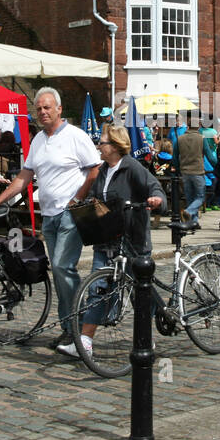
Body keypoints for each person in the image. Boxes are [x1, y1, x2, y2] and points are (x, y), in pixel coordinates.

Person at [0, 87, 100, 349]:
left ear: (59, 109)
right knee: (59, 272)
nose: (43, 112)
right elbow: (25, 177)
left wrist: (78, 198)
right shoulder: (37, 141)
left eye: (47, 107)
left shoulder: (75, 136)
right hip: (48, 215)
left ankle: (76, 326)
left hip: (70, 214)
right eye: (39, 109)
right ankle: (71, 325)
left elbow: (94, 169)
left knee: (61, 266)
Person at [59, 125, 165, 359]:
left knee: (141, 293)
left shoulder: (132, 168)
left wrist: (157, 199)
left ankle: (150, 333)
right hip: (107, 240)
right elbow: (98, 199)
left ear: (116, 146)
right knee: (98, 289)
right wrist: (84, 208)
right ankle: (85, 342)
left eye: (103, 142)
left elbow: (154, 186)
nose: (99, 146)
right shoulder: (103, 170)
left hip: (132, 241)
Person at [173, 121, 207, 225]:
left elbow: (175, 158)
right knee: (201, 197)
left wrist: (179, 169)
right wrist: (218, 165)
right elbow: (210, 156)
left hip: (185, 172)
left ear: (188, 126)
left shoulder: (180, 139)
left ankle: (193, 222)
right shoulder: (202, 138)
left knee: (190, 198)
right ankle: (189, 211)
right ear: (199, 127)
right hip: (198, 171)